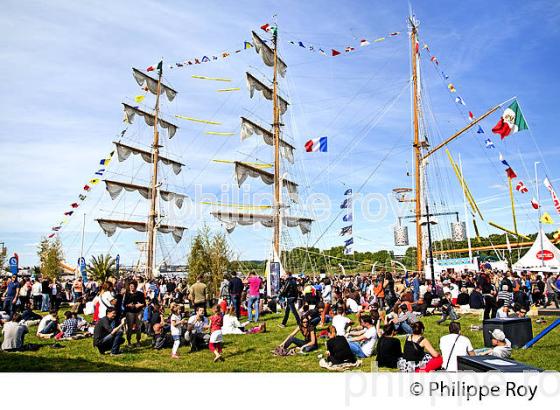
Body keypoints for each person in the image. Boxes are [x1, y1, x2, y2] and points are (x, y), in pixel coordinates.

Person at [122, 280, 146, 346]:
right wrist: (128, 305)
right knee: (129, 327)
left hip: (139, 312)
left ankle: (138, 340)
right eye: (130, 286)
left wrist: (140, 305)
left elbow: (144, 304)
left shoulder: (140, 294)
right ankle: (129, 341)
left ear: (136, 286)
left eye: (133, 286)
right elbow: (124, 304)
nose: (131, 287)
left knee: (138, 327)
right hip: (130, 312)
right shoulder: (127, 294)